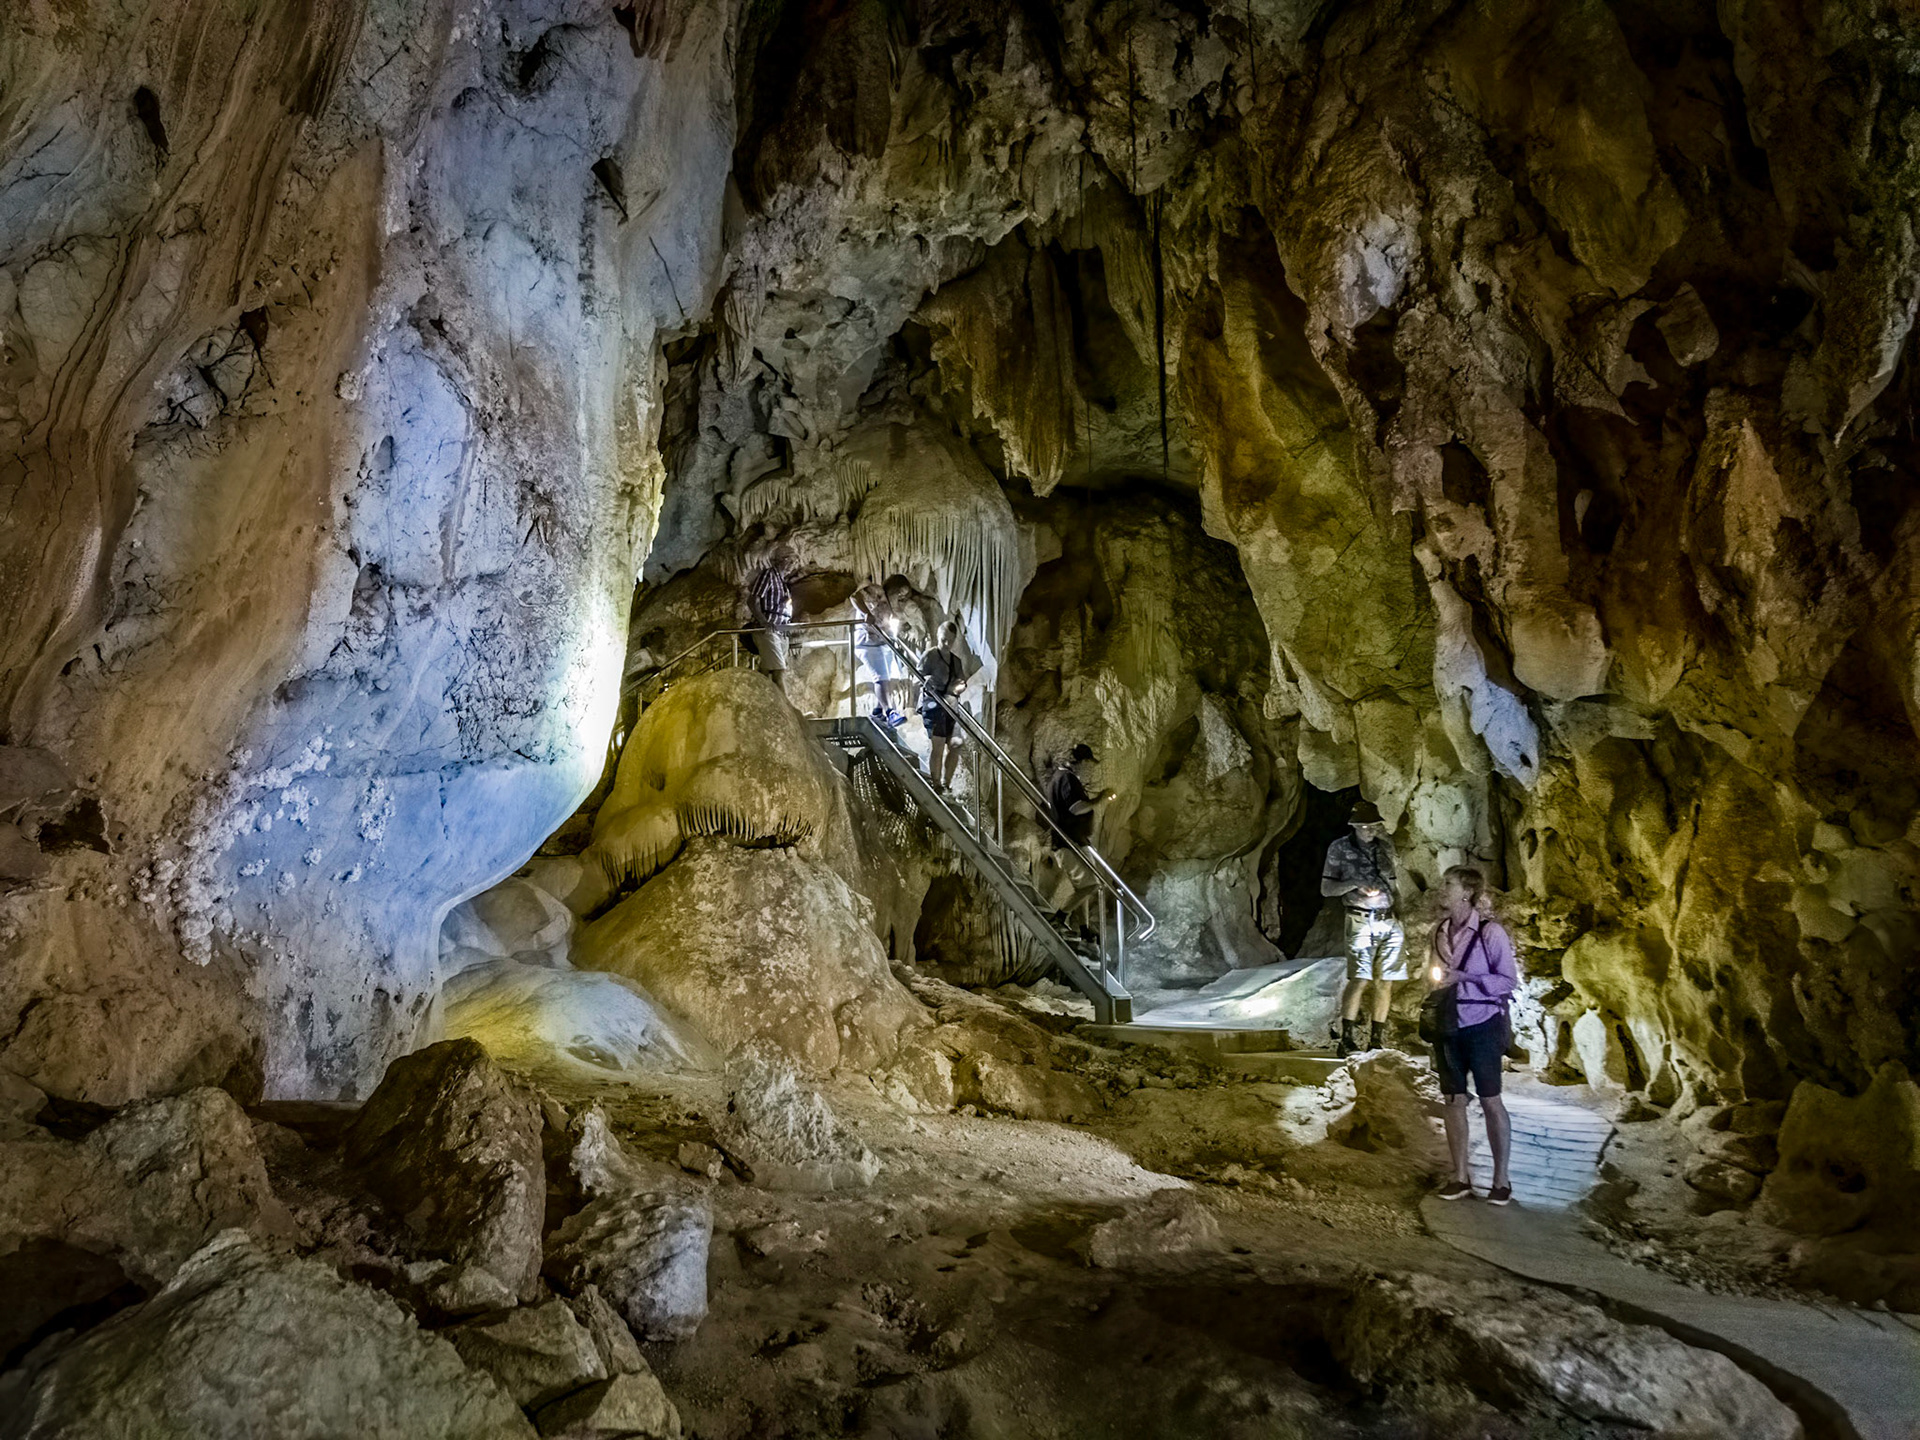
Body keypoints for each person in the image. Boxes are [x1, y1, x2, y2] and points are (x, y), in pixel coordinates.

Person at [1427, 865, 1520, 1204]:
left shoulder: (1490, 933)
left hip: (1482, 1022)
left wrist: (1465, 977)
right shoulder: (1439, 932)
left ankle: (1501, 1180)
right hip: (1448, 1024)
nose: (1442, 889)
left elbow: (1508, 981)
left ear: (1467, 892)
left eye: (1448, 884)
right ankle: (1460, 1176)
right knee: (1453, 1101)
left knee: (1490, 1100)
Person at [1320, 798, 1405, 1056]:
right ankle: (1346, 1040)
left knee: (1385, 981)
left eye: (1373, 826)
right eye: (1363, 826)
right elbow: (1326, 888)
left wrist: (1400, 915)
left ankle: (1376, 1040)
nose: (1369, 830)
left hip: (1389, 919)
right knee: (1360, 978)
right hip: (1360, 919)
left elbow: (1396, 883)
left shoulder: (1385, 848)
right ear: (1354, 826)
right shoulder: (1339, 849)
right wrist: (1355, 882)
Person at [917, 619, 974, 792]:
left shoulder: (955, 661)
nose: (947, 644)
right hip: (933, 704)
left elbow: (962, 681)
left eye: (950, 640)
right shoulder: (930, 655)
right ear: (937, 636)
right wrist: (926, 681)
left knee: (956, 744)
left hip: (949, 704)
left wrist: (958, 687)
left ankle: (946, 783)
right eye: (943, 640)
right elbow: (917, 676)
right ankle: (935, 783)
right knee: (939, 744)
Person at [852, 582, 903, 725]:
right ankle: (890, 712)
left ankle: (878, 711)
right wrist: (866, 613)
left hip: (883, 641)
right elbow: (854, 597)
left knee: (892, 677)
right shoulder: (875, 590)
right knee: (881, 678)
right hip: (868, 642)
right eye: (899, 594)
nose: (901, 597)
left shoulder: (891, 603)